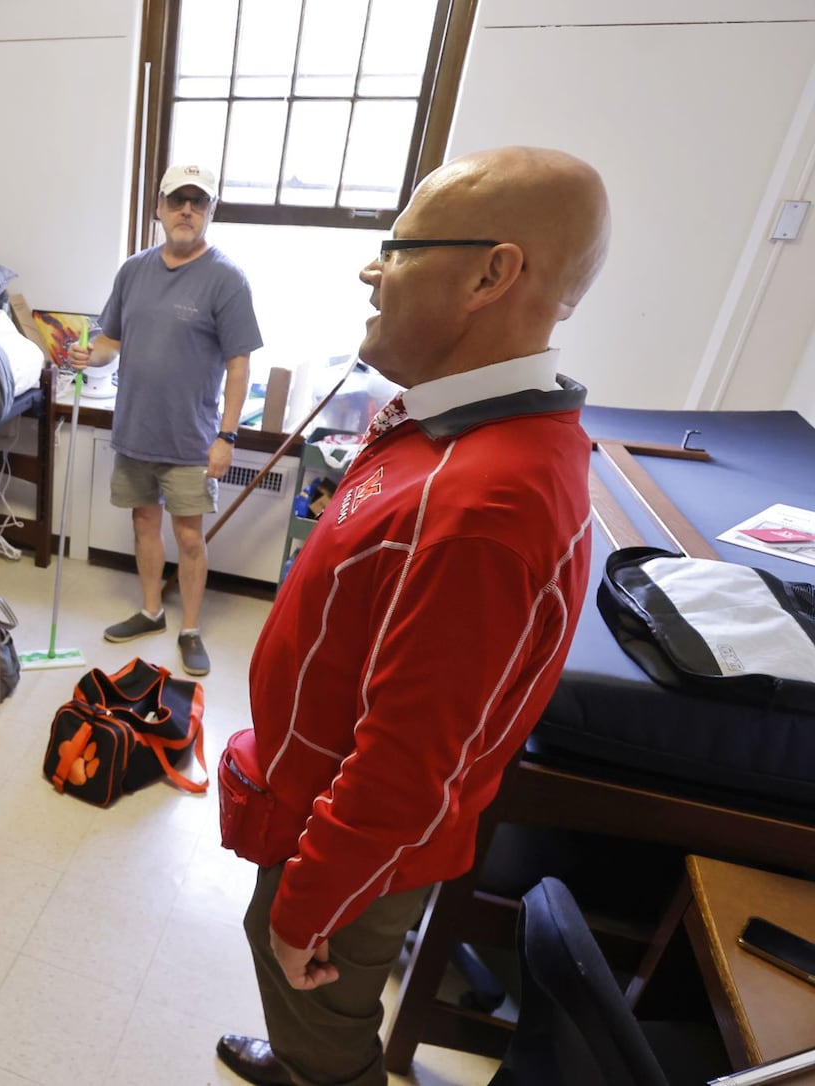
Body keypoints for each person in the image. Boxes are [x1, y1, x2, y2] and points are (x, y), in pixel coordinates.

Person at [217, 146, 611, 1086]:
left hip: (343, 841)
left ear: (491, 273)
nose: (369, 267)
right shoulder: (451, 429)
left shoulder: (484, 506)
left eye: (397, 246)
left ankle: (317, 1068)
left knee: (321, 1012)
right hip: (315, 801)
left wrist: (308, 904)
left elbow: (405, 771)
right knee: (302, 995)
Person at [69, 163, 262, 677]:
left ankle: (191, 629)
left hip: (191, 438)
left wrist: (226, 436)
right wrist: (93, 358)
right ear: (158, 207)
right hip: (134, 430)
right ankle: (152, 610)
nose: (186, 211)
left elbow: (239, 364)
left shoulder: (226, 278)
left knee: (191, 538)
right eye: (178, 200)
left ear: (210, 213)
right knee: (143, 523)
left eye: (198, 203)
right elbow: (110, 340)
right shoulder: (133, 270)